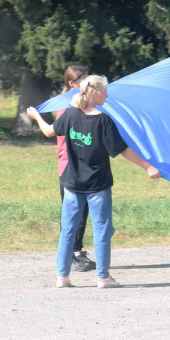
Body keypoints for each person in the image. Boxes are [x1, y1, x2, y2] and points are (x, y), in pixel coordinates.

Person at [26, 75, 161, 288]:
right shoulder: (103, 120)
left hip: (72, 183)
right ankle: (103, 278)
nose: (107, 95)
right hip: (97, 185)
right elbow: (122, 150)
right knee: (102, 230)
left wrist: (36, 116)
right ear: (95, 92)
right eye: (105, 91)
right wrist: (148, 167)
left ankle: (62, 277)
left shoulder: (69, 115)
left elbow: (48, 131)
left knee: (68, 230)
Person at [57, 64, 95, 271]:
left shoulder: (80, 103)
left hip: (83, 165)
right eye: (84, 78)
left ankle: (77, 251)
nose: (88, 82)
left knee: (82, 211)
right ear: (72, 83)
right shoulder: (68, 105)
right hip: (70, 166)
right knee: (73, 213)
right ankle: (70, 256)